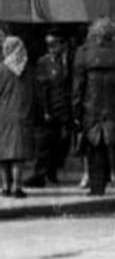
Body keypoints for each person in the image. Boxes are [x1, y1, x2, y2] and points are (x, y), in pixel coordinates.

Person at [72, 18, 115, 196]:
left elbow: (78, 86)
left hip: (91, 106)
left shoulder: (83, 53)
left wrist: (76, 112)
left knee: (95, 148)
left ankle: (97, 187)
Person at [25, 30, 72, 187]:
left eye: (55, 44)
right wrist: (45, 110)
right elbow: (42, 88)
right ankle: (40, 174)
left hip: (65, 107)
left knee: (61, 143)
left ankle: (52, 172)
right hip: (50, 106)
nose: (52, 48)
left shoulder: (68, 60)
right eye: (49, 45)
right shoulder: (44, 62)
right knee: (45, 143)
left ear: (62, 44)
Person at [0, 36, 35, 197]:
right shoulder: (27, 70)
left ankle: (5, 186)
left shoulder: (2, 70)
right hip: (22, 114)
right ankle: (17, 187)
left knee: (3, 153)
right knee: (18, 155)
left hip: (3, 115)